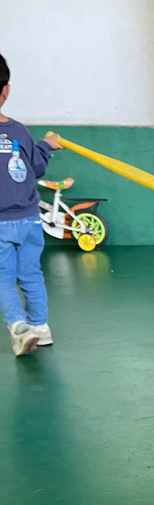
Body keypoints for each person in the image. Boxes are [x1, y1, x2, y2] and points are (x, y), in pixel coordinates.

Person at [0, 53, 62, 357]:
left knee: (2, 276)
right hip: (28, 218)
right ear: (6, 90)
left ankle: (19, 325)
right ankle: (41, 327)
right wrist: (46, 146)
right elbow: (35, 167)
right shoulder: (19, 131)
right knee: (30, 273)